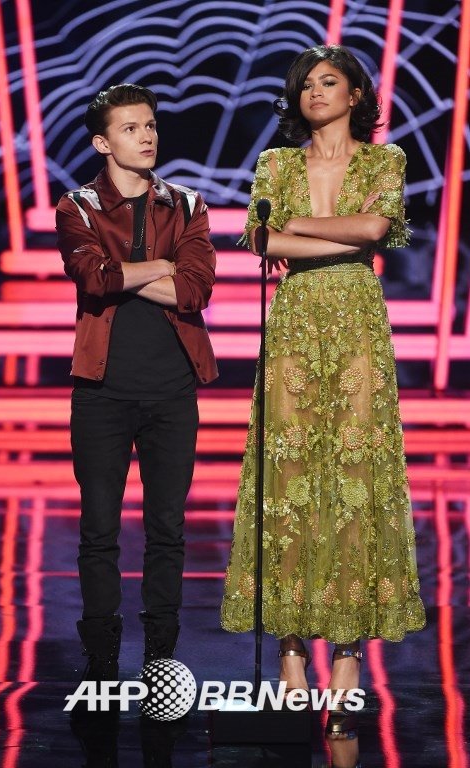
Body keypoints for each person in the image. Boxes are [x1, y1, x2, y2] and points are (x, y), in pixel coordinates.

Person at [221, 45, 426, 737]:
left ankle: (345, 651)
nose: (314, 92)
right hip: (294, 323)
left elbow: (373, 229)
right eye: (305, 84)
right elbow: (258, 238)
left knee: (354, 478)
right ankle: (288, 647)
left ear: (356, 94)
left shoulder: (384, 161)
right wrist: (295, 235)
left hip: (357, 324)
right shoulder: (276, 164)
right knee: (288, 477)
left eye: (328, 81)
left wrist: (296, 228)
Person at [56, 83, 217, 680]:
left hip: (172, 389)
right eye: (130, 128)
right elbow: (93, 279)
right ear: (102, 143)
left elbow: (194, 292)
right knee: (99, 528)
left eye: (150, 125)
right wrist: (159, 268)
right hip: (102, 391)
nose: (147, 136)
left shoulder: (188, 206)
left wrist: (126, 272)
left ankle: (161, 653)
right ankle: (101, 656)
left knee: (167, 528)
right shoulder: (77, 207)